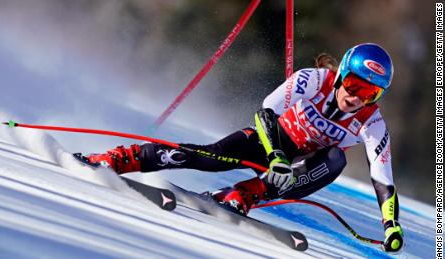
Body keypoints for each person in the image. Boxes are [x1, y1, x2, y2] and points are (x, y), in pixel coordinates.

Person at [78, 43, 403, 253]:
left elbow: (382, 176)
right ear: (342, 74)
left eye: (371, 93)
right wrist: (275, 155)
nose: (357, 97)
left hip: (293, 170)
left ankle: (245, 194)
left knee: (335, 160)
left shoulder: (371, 123)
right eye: (355, 85)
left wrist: (391, 225)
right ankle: (121, 158)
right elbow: (265, 113)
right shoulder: (314, 80)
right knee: (208, 158)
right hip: (268, 141)